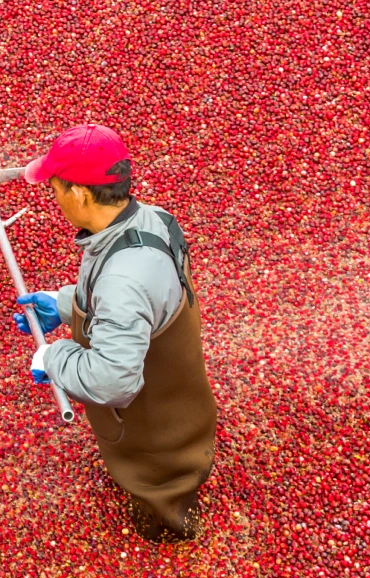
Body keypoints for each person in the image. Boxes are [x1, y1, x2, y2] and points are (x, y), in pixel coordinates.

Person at [13, 124, 217, 542]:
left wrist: (53, 359)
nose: (53, 198)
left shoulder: (124, 280)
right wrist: (68, 305)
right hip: (178, 390)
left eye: (55, 187)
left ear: (80, 194)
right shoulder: (150, 219)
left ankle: (169, 527)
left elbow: (114, 380)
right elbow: (142, 300)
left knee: (161, 481)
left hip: (155, 420)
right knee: (172, 439)